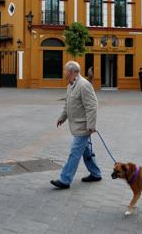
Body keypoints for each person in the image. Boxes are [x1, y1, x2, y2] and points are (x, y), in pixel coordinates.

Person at [50, 61, 102, 190]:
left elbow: (92, 106)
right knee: (85, 151)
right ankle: (96, 174)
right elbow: (68, 104)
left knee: (74, 153)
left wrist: (91, 125)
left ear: (71, 71)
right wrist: (62, 117)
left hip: (83, 127)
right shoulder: (71, 85)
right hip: (76, 125)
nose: (63, 72)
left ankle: (65, 179)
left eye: (65, 70)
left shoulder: (84, 85)